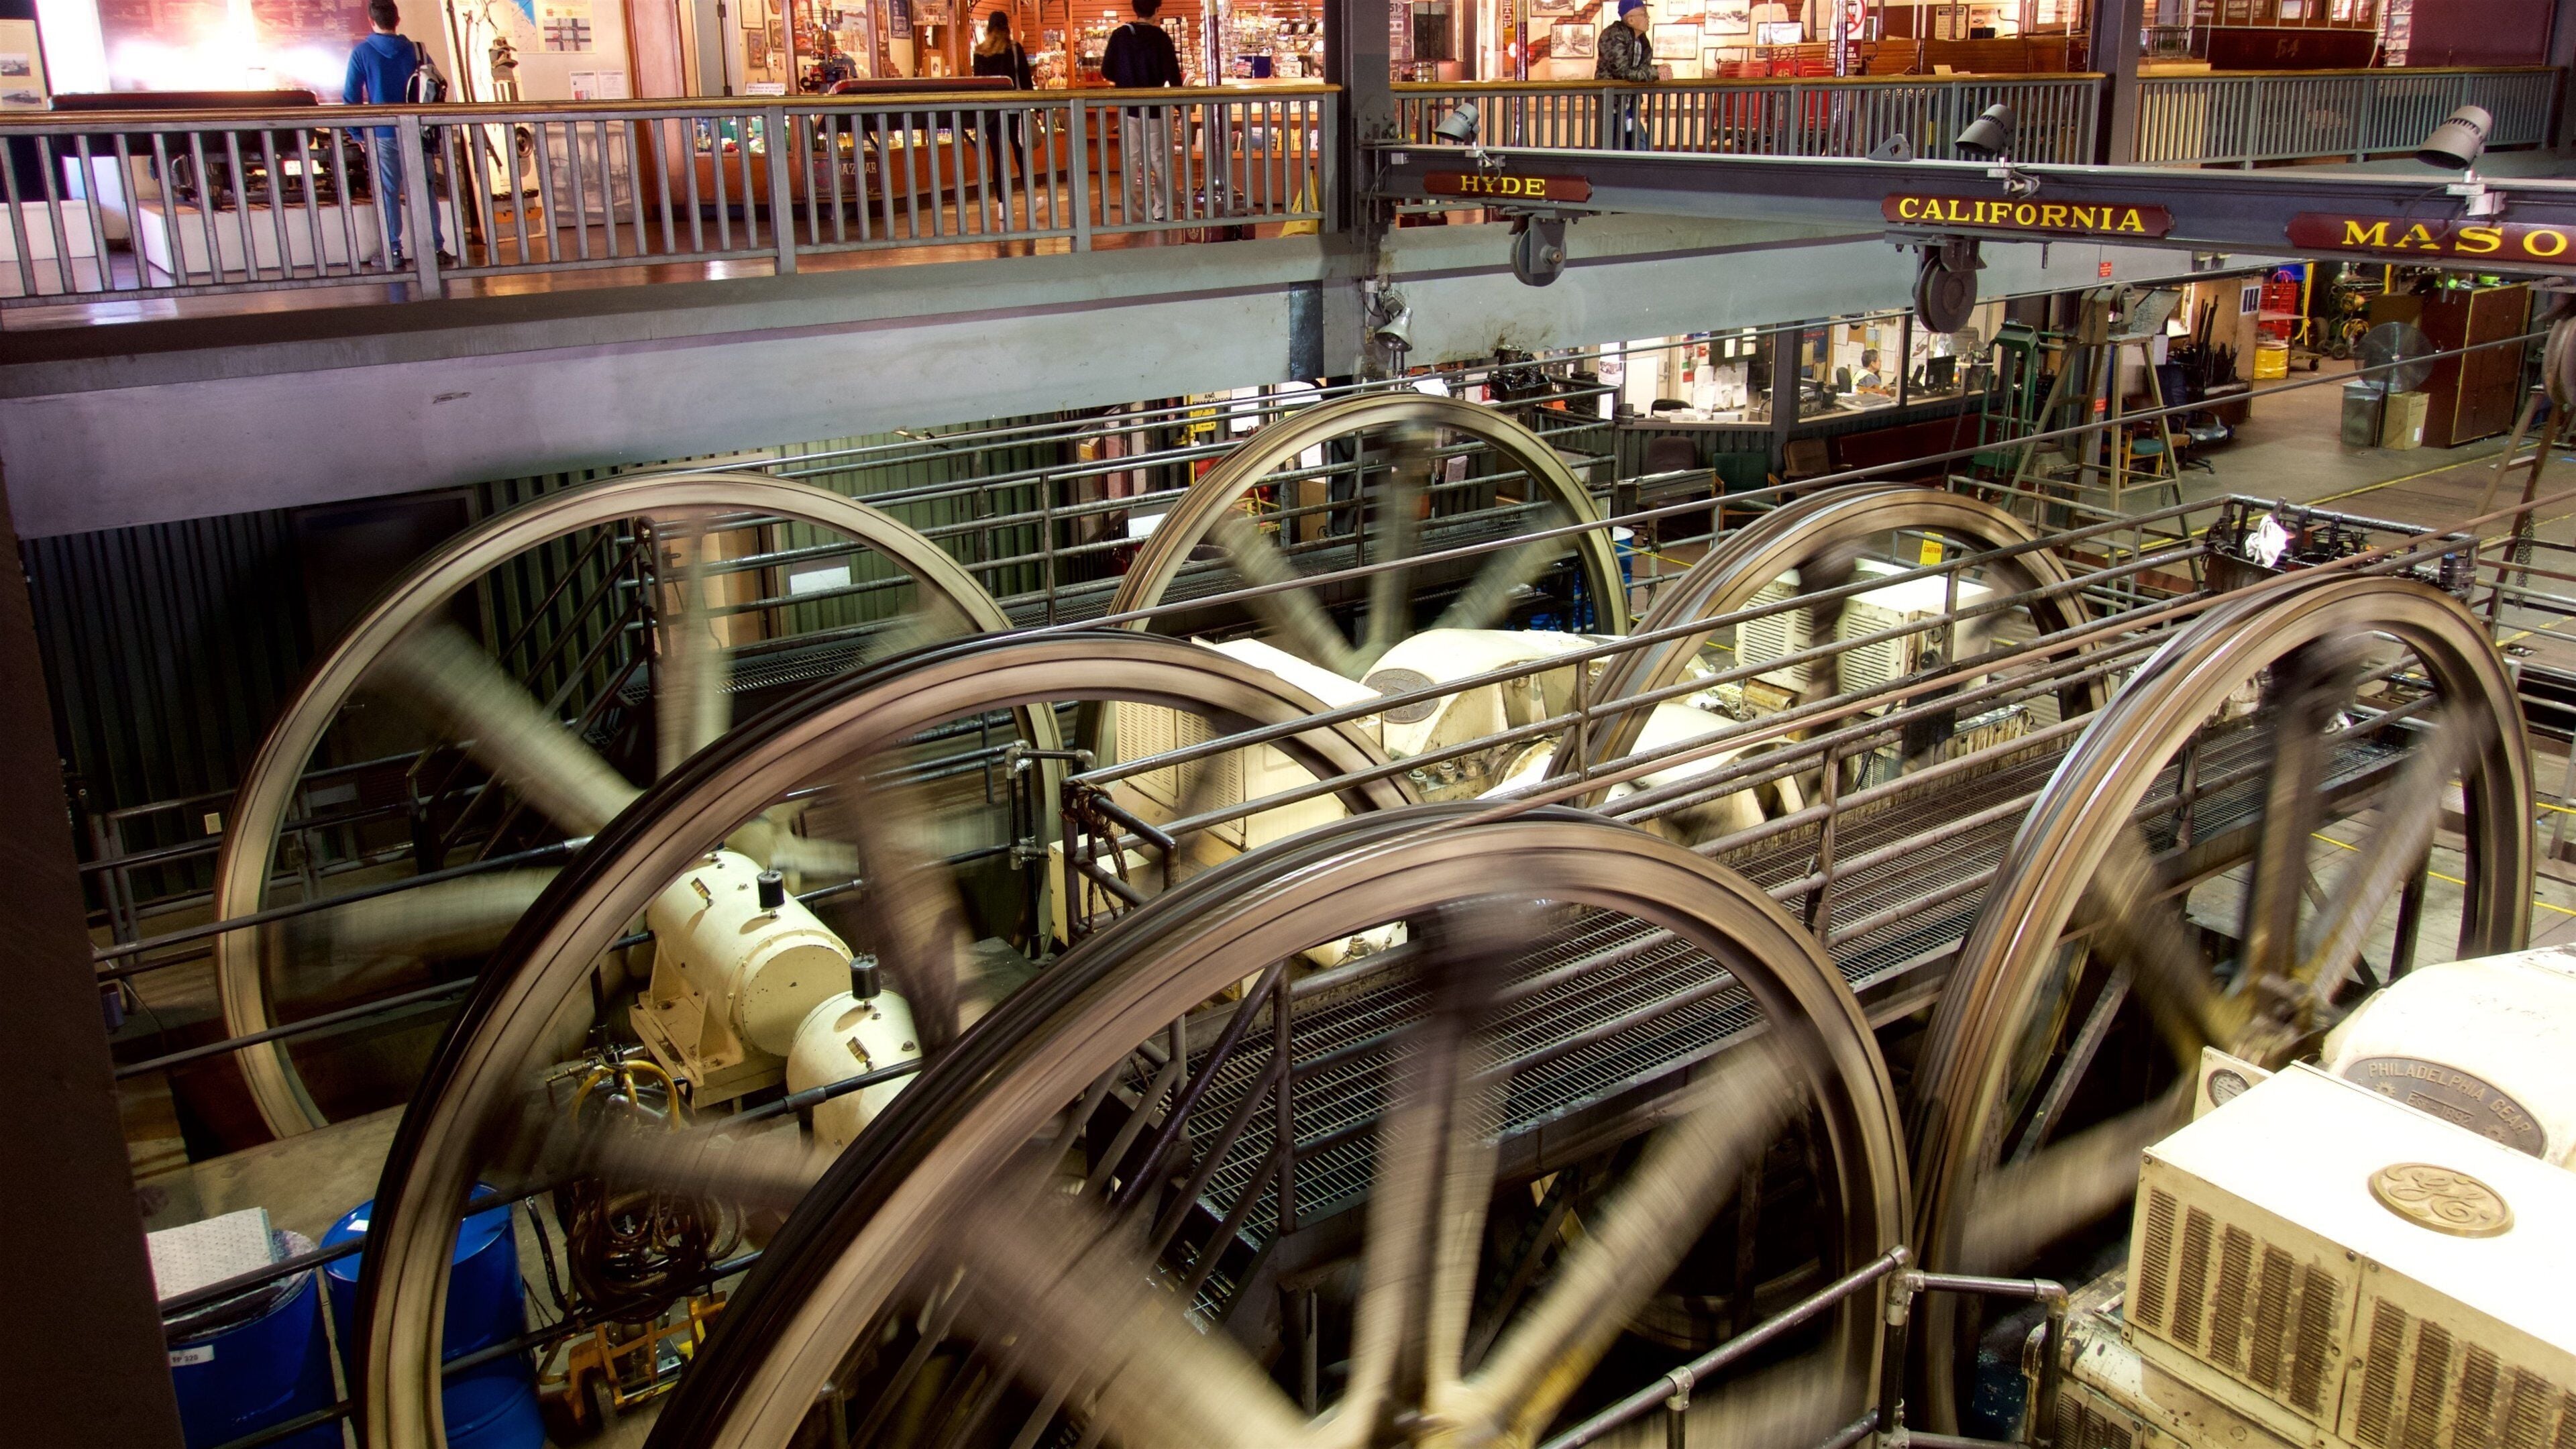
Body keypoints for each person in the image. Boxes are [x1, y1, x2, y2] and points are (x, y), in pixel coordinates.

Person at [343, 0, 450, 266]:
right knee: (425, 190)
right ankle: (435, 249)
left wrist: (357, 135)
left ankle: (393, 251)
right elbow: (435, 87)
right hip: (417, 132)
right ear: (398, 20)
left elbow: (351, 98)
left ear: (371, 21)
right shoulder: (417, 51)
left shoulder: (362, 53)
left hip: (382, 134)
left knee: (388, 192)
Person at [1099, 0, 1183, 227]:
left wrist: (1125, 80)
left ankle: (1129, 208)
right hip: (1156, 107)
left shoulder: (1120, 36)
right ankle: (1161, 210)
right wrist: (1182, 107)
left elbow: (1106, 69)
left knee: (1130, 158)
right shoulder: (1161, 38)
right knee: (1159, 159)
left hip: (1128, 107)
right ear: (1156, 10)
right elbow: (1173, 76)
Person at [973, 11, 1035, 186]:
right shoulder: (1015, 49)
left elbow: (977, 83)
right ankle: (1029, 195)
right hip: (1014, 110)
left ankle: (1001, 204)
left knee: (997, 156)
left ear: (989, 28)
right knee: (1020, 152)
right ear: (1007, 27)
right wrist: (1036, 109)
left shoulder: (979, 53)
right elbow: (1025, 80)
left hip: (990, 111)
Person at [1595, 0, 1656, 151]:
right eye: (1644, 14)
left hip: (1630, 107)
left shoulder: (1642, 42)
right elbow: (1622, 71)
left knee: (1639, 145)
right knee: (1615, 147)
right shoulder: (1613, 35)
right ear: (1630, 19)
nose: (1648, 18)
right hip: (1612, 106)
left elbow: (1641, 70)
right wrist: (1656, 72)